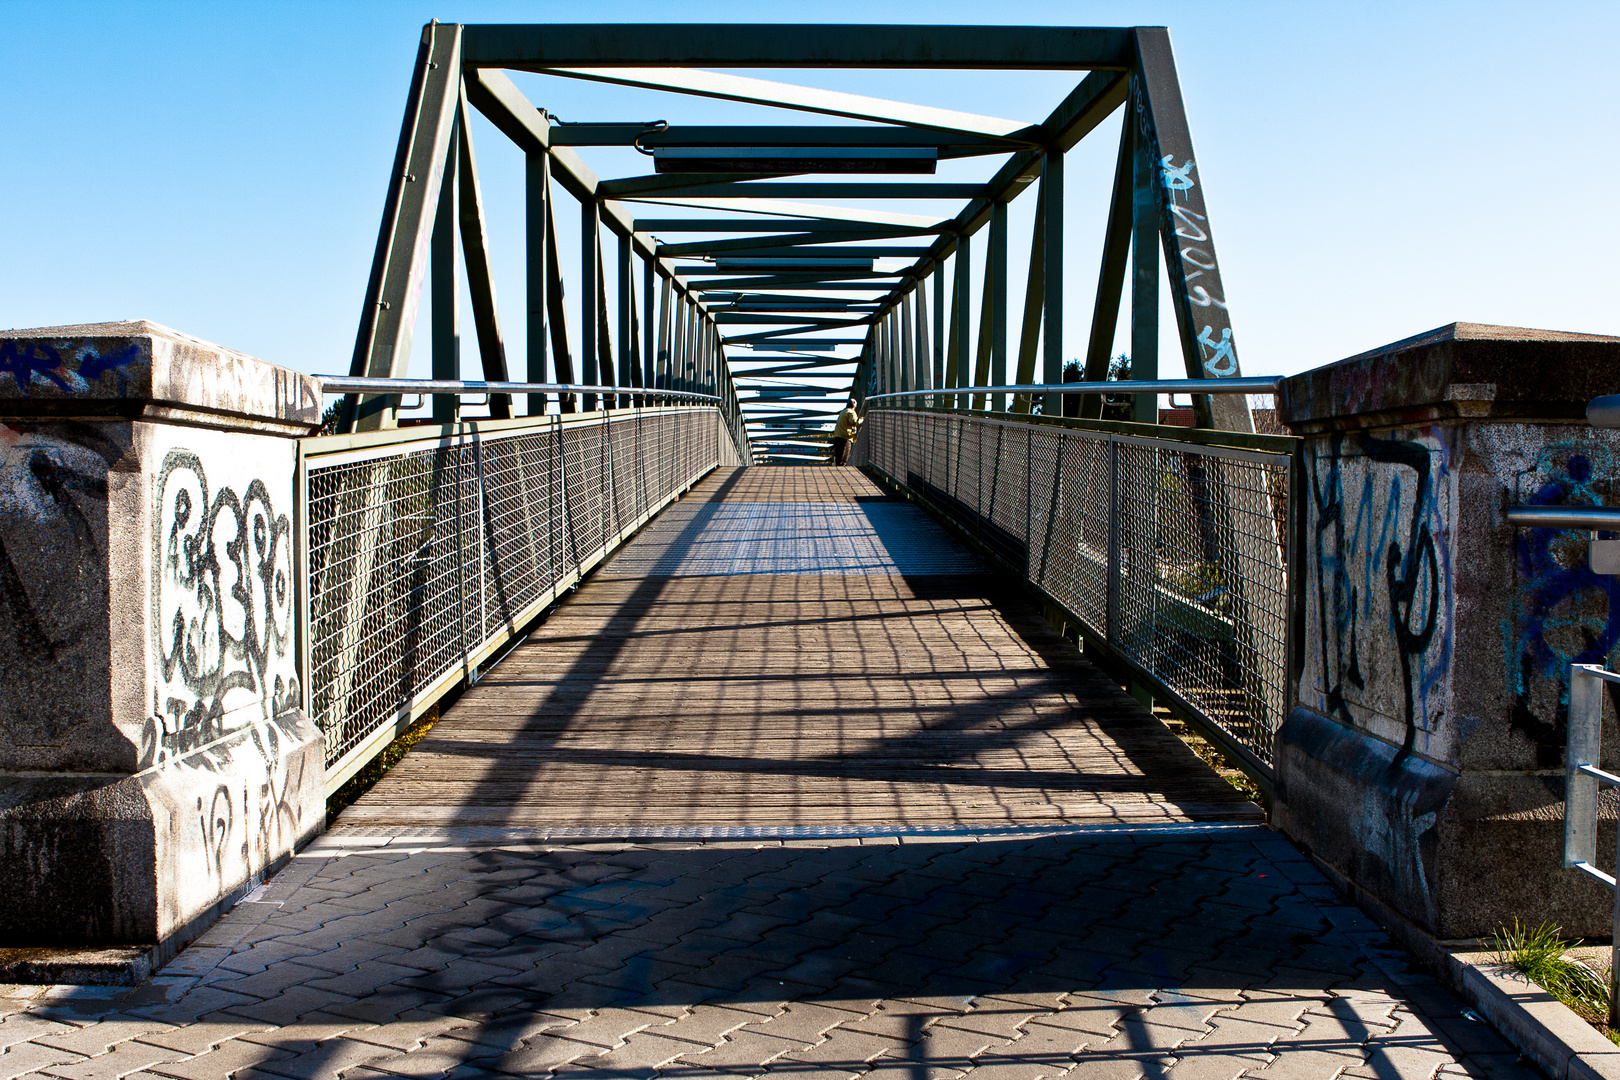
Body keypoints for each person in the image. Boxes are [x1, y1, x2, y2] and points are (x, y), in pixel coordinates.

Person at [829, 401, 861, 466]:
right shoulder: (851, 412)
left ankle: (837, 471)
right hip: (845, 437)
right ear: (854, 407)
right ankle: (841, 472)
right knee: (844, 458)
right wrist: (860, 420)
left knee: (838, 457)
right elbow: (853, 421)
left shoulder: (843, 412)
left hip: (838, 436)